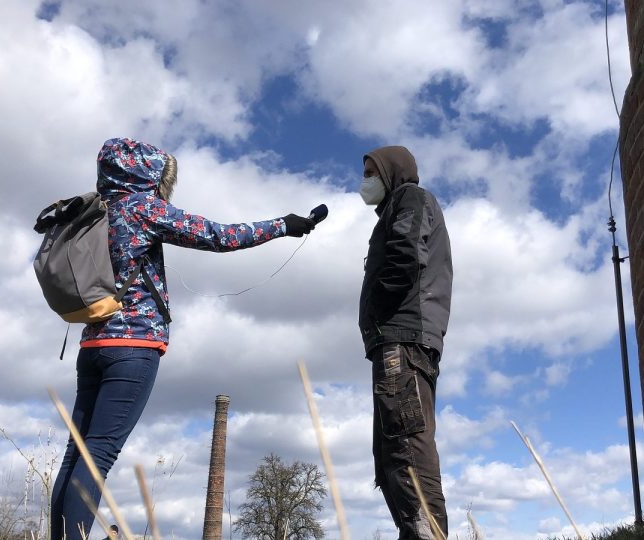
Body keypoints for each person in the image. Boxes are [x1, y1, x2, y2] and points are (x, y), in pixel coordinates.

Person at [51, 137, 318, 540]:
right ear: (146, 172)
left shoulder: (94, 209)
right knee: (98, 455)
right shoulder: (143, 207)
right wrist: (284, 225)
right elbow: (218, 235)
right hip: (133, 347)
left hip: (91, 345)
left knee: (77, 454)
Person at [358, 146, 452, 540]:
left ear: (392, 173)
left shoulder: (410, 198)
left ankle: (428, 534)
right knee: (391, 453)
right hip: (395, 340)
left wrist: (378, 308)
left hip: (402, 337)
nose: (364, 182)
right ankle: (414, 532)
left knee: (406, 445)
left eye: (371, 173)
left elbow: (405, 255)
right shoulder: (396, 206)